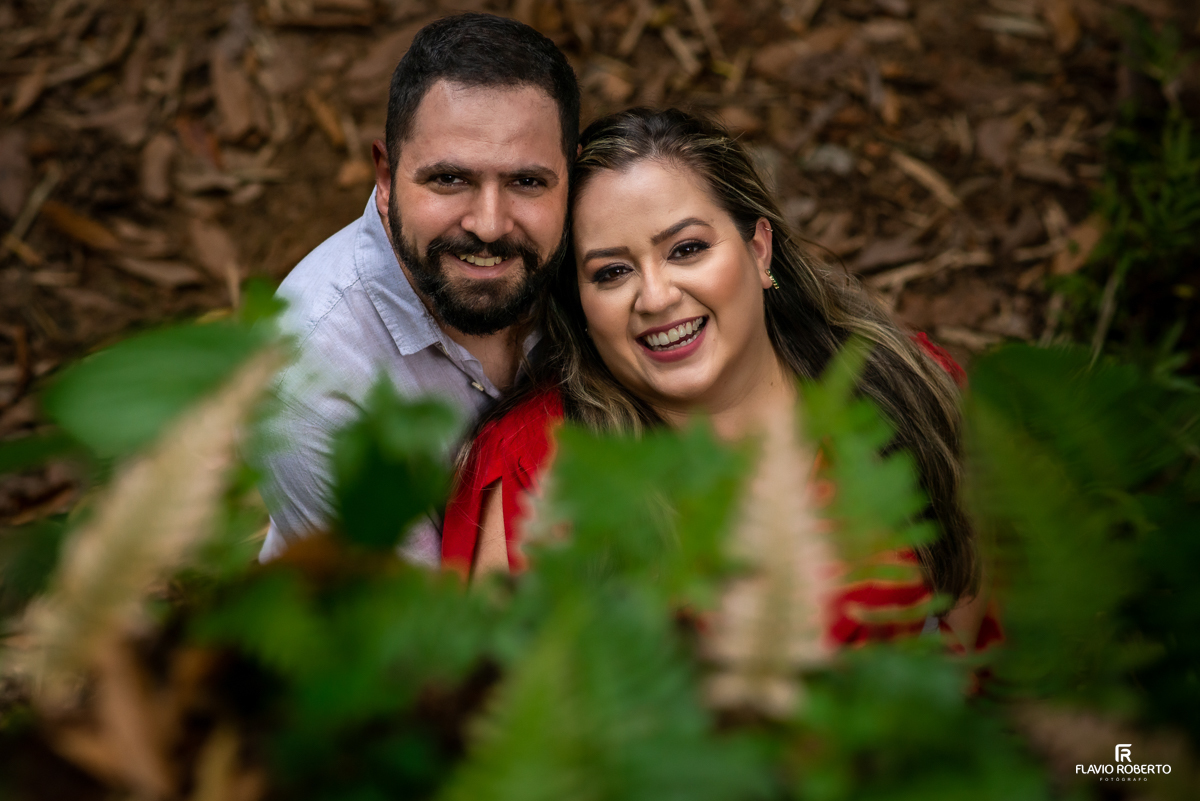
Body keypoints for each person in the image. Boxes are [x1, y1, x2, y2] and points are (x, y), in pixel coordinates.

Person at [442, 108, 999, 649]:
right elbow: (494, 717)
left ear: (759, 250)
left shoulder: (903, 385)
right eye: (612, 272)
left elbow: (971, 609)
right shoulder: (537, 473)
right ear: (581, 305)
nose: (656, 297)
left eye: (687, 249)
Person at [257, 14, 580, 563]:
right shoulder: (311, 372)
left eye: (526, 182)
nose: (489, 224)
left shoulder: (603, 261)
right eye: (450, 179)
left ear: (571, 182)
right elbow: (416, 632)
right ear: (385, 177)